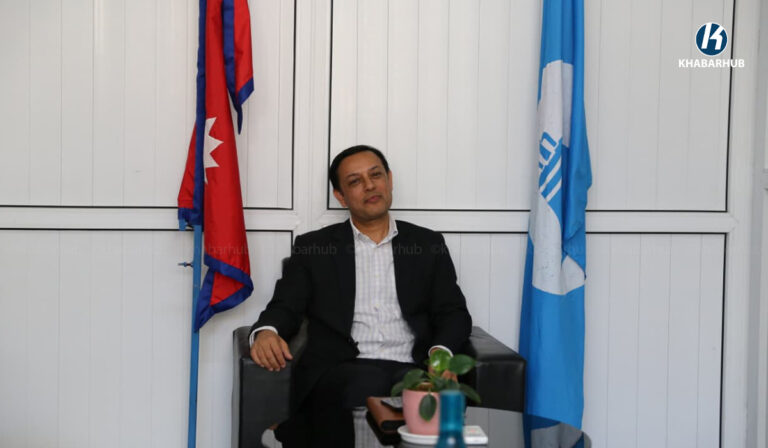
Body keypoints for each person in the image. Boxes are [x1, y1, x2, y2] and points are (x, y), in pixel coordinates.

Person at [249, 145, 472, 447]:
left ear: (389, 180)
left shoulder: (427, 244)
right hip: (341, 367)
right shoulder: (314, 248)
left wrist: (441, 354)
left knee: (416, 390)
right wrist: (267, 331)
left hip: (413, 366)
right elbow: (285, 305)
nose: (369, 185)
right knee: (367, 383)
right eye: (355, 181)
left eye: (376, 175)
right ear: (341, 196)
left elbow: (452, 312)